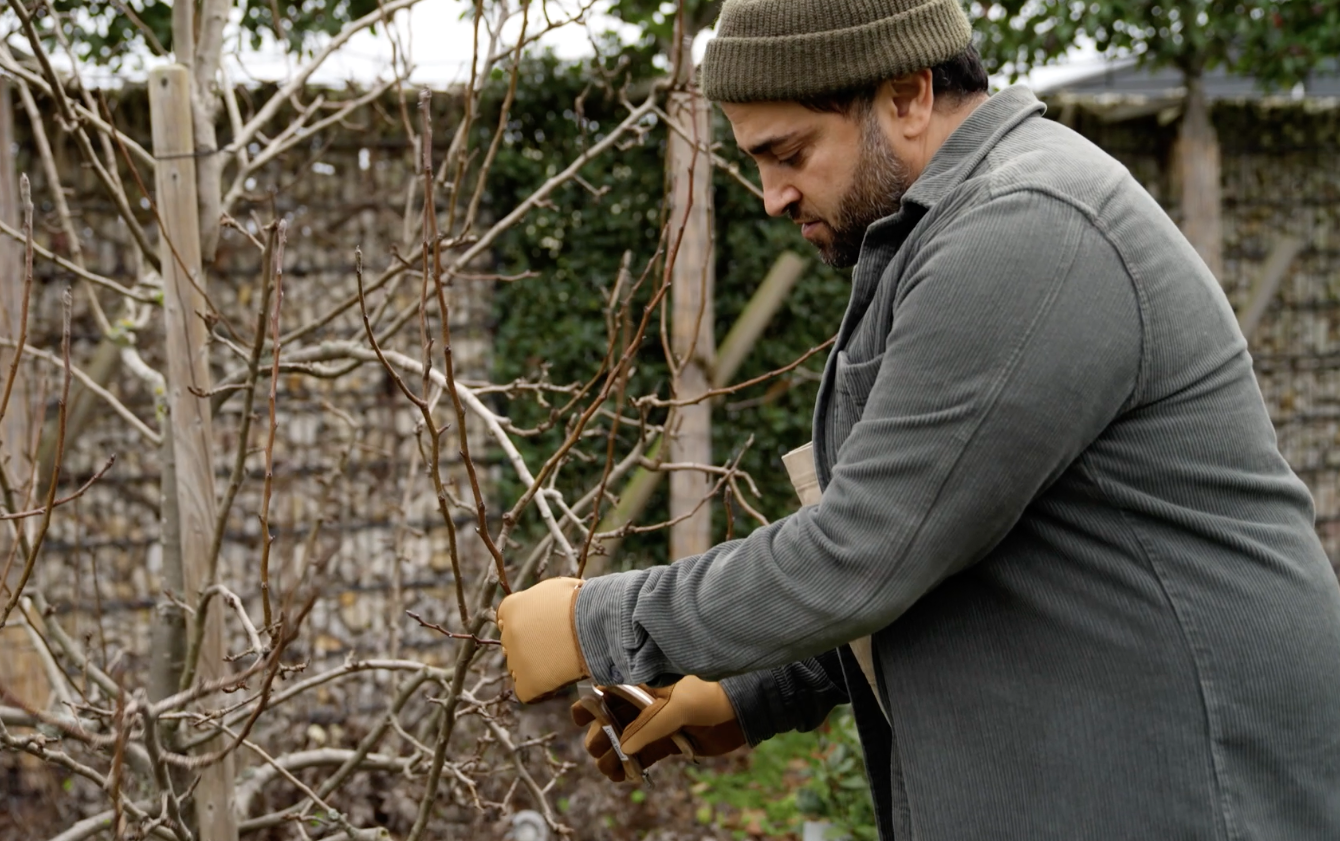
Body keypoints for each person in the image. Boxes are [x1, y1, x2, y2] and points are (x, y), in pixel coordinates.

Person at [496, 0, 1340, 837]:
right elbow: (949, 543)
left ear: (906, 96)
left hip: (1191, 795)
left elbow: (866, 549)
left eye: (787, 154)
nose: (770, 196)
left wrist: (594, 621)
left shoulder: (1030, 224)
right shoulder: (960, 226)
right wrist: (747, 690)